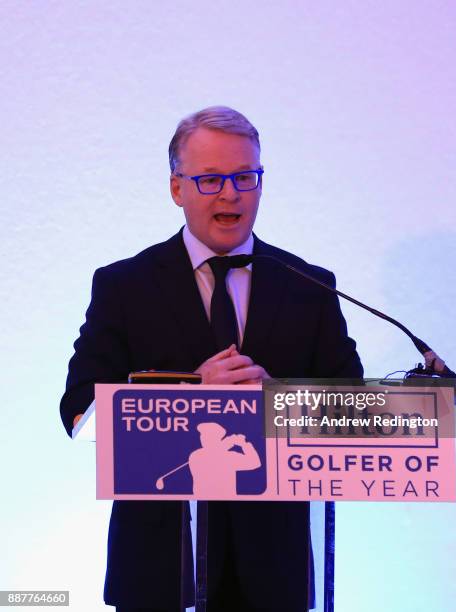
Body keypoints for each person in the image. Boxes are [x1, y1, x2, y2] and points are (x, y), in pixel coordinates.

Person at [60, 106, 363, 611]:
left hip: (275, 568)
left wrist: (277, 399)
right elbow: (78, 409)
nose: (231, 193)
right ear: (177, 189)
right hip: (159, 566)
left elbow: (353, 410)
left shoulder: (308, 285)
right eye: (210, 180)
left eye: (246, 177)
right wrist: (188, 396)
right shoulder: (124, 286)